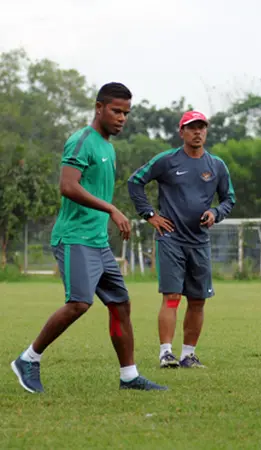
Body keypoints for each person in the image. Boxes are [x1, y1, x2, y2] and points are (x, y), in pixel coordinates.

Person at [10, 82, 167, 393]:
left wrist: (108, 215)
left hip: (97, 242)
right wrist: (112, 208)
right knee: (79, 303)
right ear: (99, 108)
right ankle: (28, 359)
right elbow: (68, 186)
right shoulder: (81, 141)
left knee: (121, 304)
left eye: (126, 113)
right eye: (116, 111)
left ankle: (129, 376)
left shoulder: (108, 147)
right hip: (73, 238)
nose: (122, 118)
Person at [128, 110, 236, 369]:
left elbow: (229, 199)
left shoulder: (217, 165)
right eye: (191, 127)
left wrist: (215, 213)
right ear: (182, 132)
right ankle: (166, 353)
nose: (197, 132)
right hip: (171, 239)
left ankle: (188, 355)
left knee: (198, 300)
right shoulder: (167, 161)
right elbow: (135, 182)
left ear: (206, 131)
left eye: (201, 127)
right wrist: (150, 215)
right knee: (173, 295)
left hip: (199, 241)